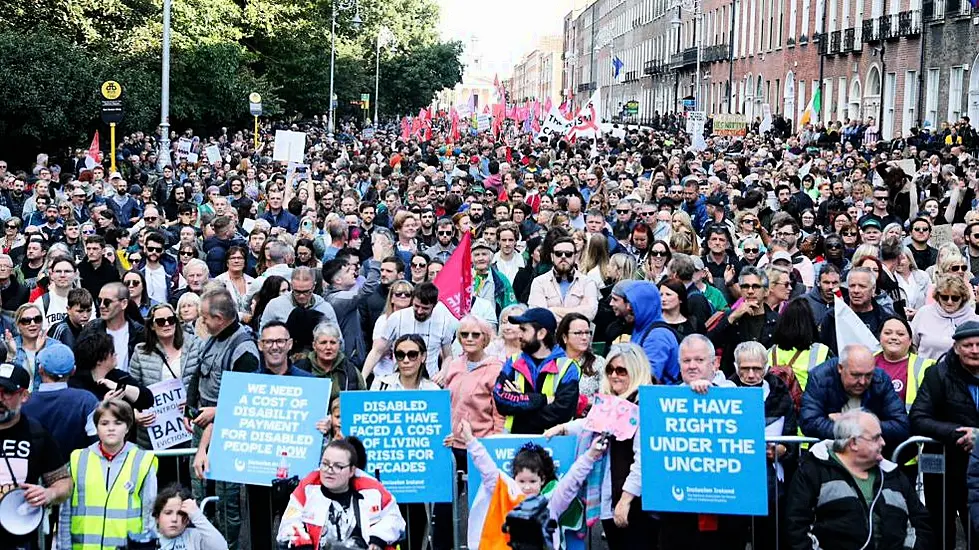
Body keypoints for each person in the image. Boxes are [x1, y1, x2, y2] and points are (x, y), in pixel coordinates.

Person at [544, 343, 655, 549]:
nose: (614, 375)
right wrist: (562, 428)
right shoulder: (611, 403)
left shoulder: (643, 404)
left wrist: (626, 500)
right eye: (610, 370)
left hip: (633, 501)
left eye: (621, 370)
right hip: (608, 495)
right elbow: (590, 423)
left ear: (636, 370)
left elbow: (643, 460)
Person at [785, 409, 932, 550]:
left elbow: (920, 524)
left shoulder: (893, 474)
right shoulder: (814, 472)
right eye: (876, 438)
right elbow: (797, 528)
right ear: (853, 443)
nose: (883, 443)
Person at [183, 287, 259, 550]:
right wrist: (188, 409)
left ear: (220, 317)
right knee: (200, 493)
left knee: (226, 502)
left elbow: (245, 400)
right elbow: (197, 374)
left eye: (205, 317)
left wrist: (217, 412)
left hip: (225, 433)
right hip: (202, 422)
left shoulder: (244, 350)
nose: (201, 322)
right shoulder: (213, 338)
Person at [461, 417, 608, 550]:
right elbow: (487, 468)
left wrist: (590, 456)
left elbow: (571, 480)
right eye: (522, 481)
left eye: (532, 481)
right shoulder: (506, 492)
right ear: (514, 479)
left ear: (542, 480)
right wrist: (469, 439)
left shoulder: (551, 501)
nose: (527, 487)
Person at [657, 334, 745, 549]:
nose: (692, 366)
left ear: (714, 363)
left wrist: (709, 393)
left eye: (699, 360)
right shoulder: (666, 402)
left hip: (726, 503)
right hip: (680, 505)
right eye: (686, 361)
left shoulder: (732, 393)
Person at [909, 320, 979, 550]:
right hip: (945, 469)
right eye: (968, 345)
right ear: (956, 348)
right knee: (941, 534)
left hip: (977, 472)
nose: (975, 350)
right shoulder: (937, 375)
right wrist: (956, 433)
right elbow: (918, 418)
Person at [59, 399, 159, 550]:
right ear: (96, 428)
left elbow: (149, 512)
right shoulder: (78, 459)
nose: (111, 428)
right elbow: (65, 512)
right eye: (104, 423)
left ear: (127, 428)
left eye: (118, 423)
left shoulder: (143, 461)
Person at [277, 437, 406, 549]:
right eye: (325, 464)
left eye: (338, 466)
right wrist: (301, 543)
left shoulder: (372, 490)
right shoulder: (308, 488)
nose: (329, 470)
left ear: (352, 471)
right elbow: (288, 524)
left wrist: (377, 539)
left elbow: (394, 519)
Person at [727, 341, 796, 550]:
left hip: (772, 477)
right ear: (736, 367)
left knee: (768, 535)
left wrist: (783, 449)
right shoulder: (725, 390)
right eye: (744, 369)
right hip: (733, 477)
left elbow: (791, 432)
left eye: (756, 369)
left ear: (766, 367)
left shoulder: (779, 390)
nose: (750, 375)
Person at [0, 361, 73, 549]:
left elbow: (64, 483)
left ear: (24, 395)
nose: (0, 398)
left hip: (20, 536)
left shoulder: (36, 435)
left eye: (7, 392)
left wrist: (49, 493)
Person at [800, 343, 909, 450]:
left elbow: (901, 426)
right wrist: (869, 431)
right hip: (829, 456)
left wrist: (851, 423)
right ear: (840, 368)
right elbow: (809, 423)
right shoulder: (820, 378)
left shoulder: (880, 379)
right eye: (856, 375)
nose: (862, 382)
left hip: (871, 457)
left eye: (868, 375)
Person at [493, 307, 579, 434]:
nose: (519, 334)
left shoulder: (567, 367)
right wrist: (543, 400)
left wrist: (520, 404)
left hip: (552, 445)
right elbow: (501, 401)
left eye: (523, 330)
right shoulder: (513, 361)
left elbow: (562, 412)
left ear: (541, 334)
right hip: (515, 445)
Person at [361, 282, 458, 382]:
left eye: (425, 308)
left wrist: (443, 372)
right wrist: (363, 377)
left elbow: (448, 356)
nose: (419, 311)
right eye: (416, 306)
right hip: (399, 380)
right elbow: (377, 351)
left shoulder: (444, 323)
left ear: (434, 305)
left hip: (430, 382)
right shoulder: (397, 318)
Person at [129, 304, 192, 448]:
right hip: (153, 434)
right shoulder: (140, 352)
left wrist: (193, 405)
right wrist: (135, 415)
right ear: (152, 325)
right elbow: (131, 391)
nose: (167, 324)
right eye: (161, 321)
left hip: (189, 428)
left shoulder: (195, 346)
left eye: (171, 319)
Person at [22, 342, 100, 455]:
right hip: (76, 469)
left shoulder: (24, 402)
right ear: (73, 371)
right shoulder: (86, 400)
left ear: (40, 370)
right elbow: (96, 441)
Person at [708, 266, 779, 375]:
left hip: (767, 380)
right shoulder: (731, 317)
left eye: (755, 286)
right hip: (734, 382)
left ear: (766, 292)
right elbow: (709, 344)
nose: (750, 291)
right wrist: (732, 317)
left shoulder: (777, 320)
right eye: (745, 286)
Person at [322, 241, 382, 368]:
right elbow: (367, 290)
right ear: (337, 280)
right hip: (347, 360)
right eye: (348, 271)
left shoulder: (337, 295)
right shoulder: (337, 299)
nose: (354, 273)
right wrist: (377, 260)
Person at [260, 266, 338, 359]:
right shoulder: (275, 305)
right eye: (297, 291)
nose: (301, 296)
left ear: (314, 286)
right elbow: (262, 336)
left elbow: (338, 341)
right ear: (291, 285)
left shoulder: (325, 308)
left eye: (306, 292)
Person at [819, 267, 894, 355]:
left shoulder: (886, 319)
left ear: (873, 289)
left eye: (862, 286)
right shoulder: (832, 317)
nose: (856, 291)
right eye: (852, 286)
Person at [528, 236, 600, 322]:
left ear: (575, 256)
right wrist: (578, 312)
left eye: (568, 254)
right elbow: (538, 316)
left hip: (579, 334)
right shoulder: (539, 282)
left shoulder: (588, 283)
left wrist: (552, 310)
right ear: (552, 256)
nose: (563, 257)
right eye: (558, 254)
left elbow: (590, 313)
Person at [80, 281, 146, 373]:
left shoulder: (140, 332)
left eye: (107, 302)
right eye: (99, 301)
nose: (102, 306)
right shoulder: (90, 330)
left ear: (124, 303)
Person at [911, 274, 979, 361]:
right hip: (926, 371)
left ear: (963, 298)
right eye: (944, 297)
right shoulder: (923, 313)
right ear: (938, 296)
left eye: (955, 298)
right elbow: (911, 345)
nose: (949, 302)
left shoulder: (974, 319)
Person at [294, 321, 365, 402]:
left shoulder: (350, 371)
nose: (328, 347)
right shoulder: (300, 369)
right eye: (323, 343)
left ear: (339, 345)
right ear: (314, 345)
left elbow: (362, 401)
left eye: (333, 342)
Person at [555, 312, 606, 414]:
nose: (584, 337)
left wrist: (585, 402)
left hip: (587, 420)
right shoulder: (553, 362)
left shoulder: (599, 362)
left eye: (587, 333)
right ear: (564, 337)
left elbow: (606, 399)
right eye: (578, 333)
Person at [153, 484, 228, 550]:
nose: (174, 519)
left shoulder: (194, 537)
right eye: (168, 513)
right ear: (157, 517)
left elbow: (221, 548)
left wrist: (197, 516)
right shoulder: (149, 540)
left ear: (187, 519)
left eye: (180, 513)